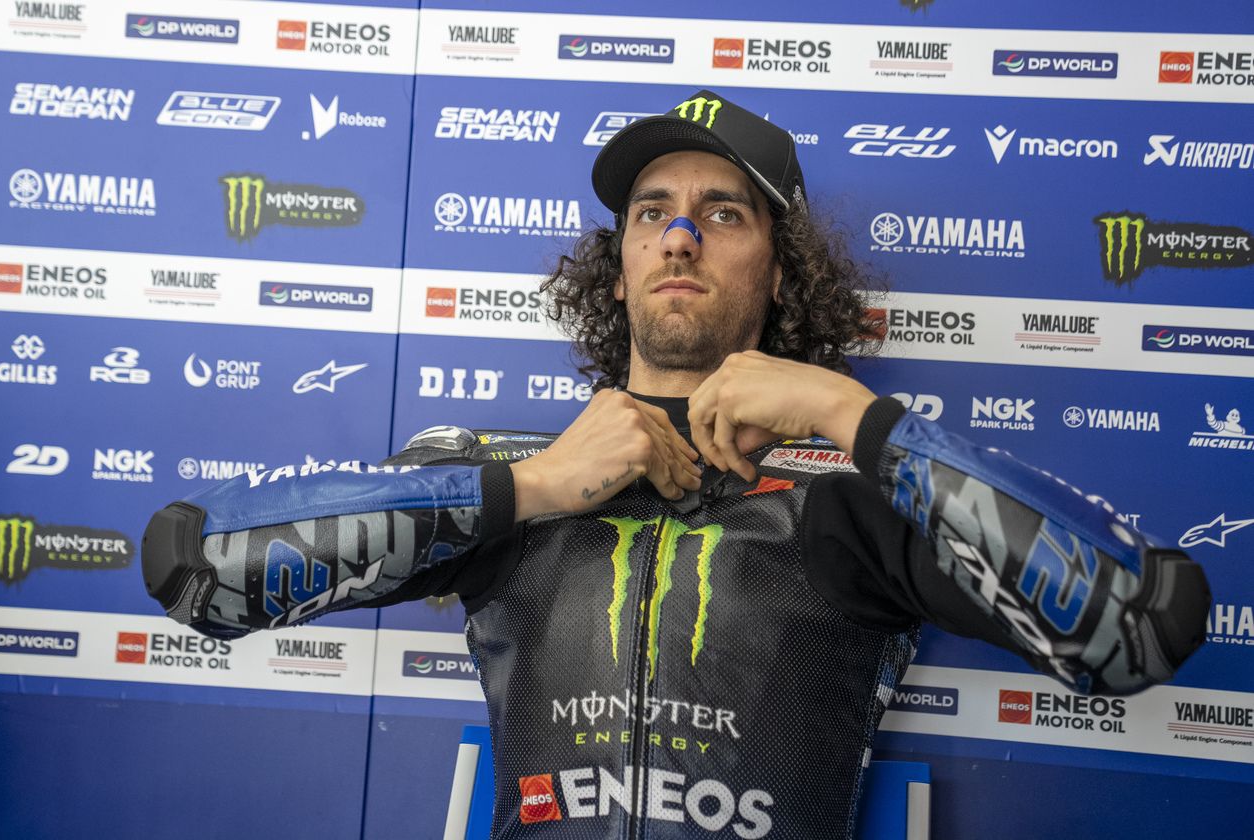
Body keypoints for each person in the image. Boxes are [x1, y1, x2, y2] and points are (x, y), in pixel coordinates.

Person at [141, 90, 1210, 839]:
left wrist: (846, 413)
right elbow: (194, 570)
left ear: (782, 275)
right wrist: (532, 488)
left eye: (723, 213)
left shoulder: (849, 498)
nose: (680, 236)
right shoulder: (497, 473)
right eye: (651, 213)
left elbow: (1140, 626)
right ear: (617, 270)